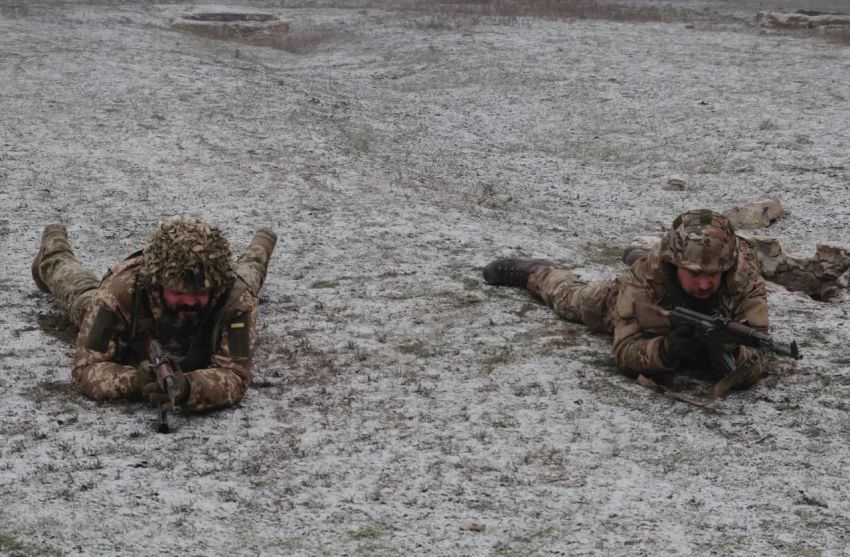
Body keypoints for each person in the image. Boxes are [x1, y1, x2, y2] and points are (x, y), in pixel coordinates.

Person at [483, 209, 769, 387]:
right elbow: (625, 353)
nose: (705, 283)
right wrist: (667, 350)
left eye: (714, 273)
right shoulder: (647, 277)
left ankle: (638, 255)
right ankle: (537, 272)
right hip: (648, 300)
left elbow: (759, 351)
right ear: (672, 263)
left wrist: (730, 351)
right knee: (575, 300)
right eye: (694, 273)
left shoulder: (743, 275)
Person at [31, 219, 277, 411]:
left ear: (215, 285)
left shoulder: (234, 298)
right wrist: (134, 382)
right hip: (125, 320)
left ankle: (261, 245)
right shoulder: (119, 293)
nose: (190, 301)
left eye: (201, 292)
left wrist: (189, 388)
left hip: (233, 286)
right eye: (178, 292)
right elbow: (85, 370)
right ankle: (53, 252)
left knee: (248, 276)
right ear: (156, 283)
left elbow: (236, 375)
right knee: (81, 296)